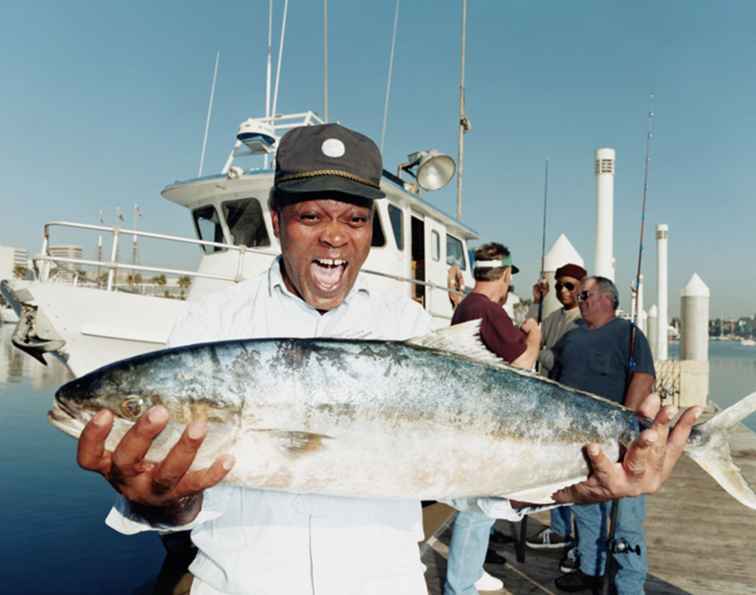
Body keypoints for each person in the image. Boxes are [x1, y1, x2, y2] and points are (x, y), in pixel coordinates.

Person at [74, 124, 700, 595]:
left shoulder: (406, 326)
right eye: (310, 215)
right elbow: (180, 502)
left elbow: (476, 488)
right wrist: (158, 501)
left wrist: (579, 487)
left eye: (353, 218)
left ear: (370, 229)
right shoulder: (211, 326)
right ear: (276, 220)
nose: (333, 235)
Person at [444, 242, 542, 595]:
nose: (507, 286)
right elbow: (522, 366)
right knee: (477, 509)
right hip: (484, 427)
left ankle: (469, 573)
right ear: (502, 274)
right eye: (507, 279)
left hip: (469, 420)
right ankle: (461, 585)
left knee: (478, 509)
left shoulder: (468, 307)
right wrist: (535, 337)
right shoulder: (488, 310)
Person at [550, 276, 655, 595]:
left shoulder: (629, 333)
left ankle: (629, 584)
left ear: (607, 299)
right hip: (577, 442)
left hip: (620, 442)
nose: (578, 299)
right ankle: (590, 569)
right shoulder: (571, 335)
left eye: (585, 294)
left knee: (626, 521)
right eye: (578, 294)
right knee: (585, 509)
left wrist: (625, 428)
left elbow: (643, 376)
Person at [524, 264, 587, 564]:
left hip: (574, 409)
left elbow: (559, 361)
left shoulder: (583, 322)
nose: (564, 291)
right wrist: (536, 300)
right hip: (552, 408)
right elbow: (530, 332)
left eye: (570, 286)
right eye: (560, 285)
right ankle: (561, 531)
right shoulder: (555, 318)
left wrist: (538, 351)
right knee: (558, 474)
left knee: (578, 474)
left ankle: (582, 546)